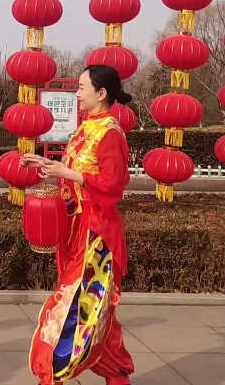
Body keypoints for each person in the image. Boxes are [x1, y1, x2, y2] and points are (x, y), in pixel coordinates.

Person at [21, 64, 135, 385]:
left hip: (96, 236)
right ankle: (118, 377)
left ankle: (51, 373)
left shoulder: (110, 133)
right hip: (76, 229)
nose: (77, 93)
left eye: (82, 87)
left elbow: (113, 185)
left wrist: (66, 173)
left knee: (72, 307)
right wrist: (44, 164)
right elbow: (72, 172)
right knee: (99, 315)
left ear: (101, 94)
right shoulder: (85, 129)